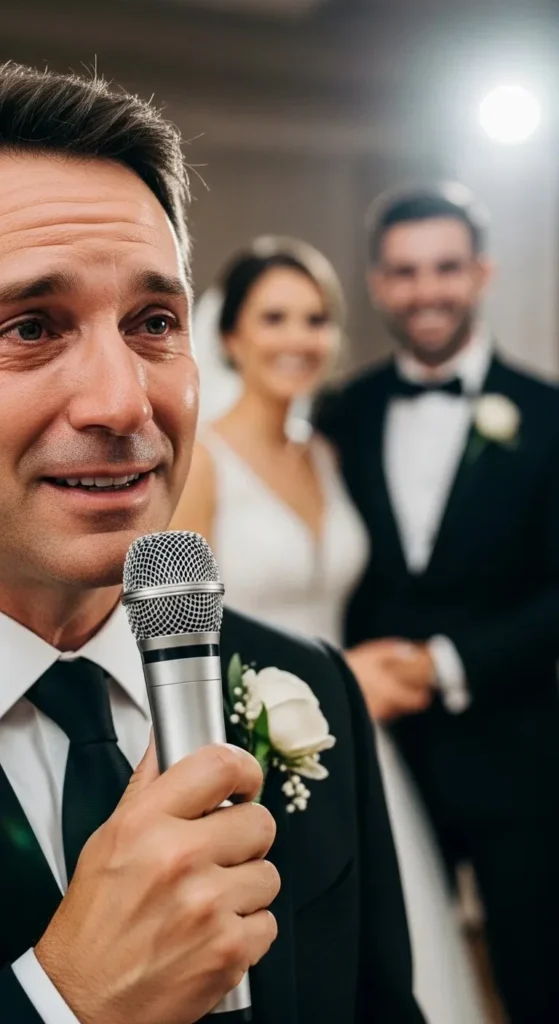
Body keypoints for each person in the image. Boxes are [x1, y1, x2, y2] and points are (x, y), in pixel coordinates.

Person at [0, 63, 425, 1024]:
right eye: (30, 327)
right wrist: (64, 1002)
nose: (124, 404)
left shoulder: (306, 684)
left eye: (154, 322)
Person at [172, 236, 486, 1024]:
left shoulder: (325, 455)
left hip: (357, 735)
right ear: (230, 334)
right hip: (253, 743)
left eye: (315, 319)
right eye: (273, 317)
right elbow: (187, 629)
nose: (298, 338)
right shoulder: (201, 463)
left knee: (388, 954)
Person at [314, 183, 559, 1024]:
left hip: (514, 755)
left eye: (445, 267)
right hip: (376, 755)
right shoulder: (341, 412)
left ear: (481, 272)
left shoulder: (548, 416)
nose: (426, 291)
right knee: (388, 978)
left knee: (535, 980)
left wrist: (445, 664)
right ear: (377, 283)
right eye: (405, 271)